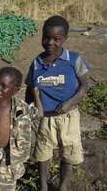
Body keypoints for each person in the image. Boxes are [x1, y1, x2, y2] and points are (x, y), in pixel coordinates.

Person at [26, 15, 90, 191]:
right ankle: (43, 185)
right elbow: (30, 88)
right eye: (46, 37)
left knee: (68, 153)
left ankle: (63, 185)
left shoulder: (74, 60)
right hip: (45, 118)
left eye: (56, 39)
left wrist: (70, 102)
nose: (50, 42)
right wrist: (29, 111)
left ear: (65, 39)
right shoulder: (37, 63)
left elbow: (85, 85)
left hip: (68, 117)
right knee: (43, 153)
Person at [0, 67, 38, 191]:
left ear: (15, 90)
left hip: (7, 158)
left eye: (4, 86)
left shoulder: (21, 110)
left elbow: (37, 118)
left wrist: (31, 152)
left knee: (4, 187)